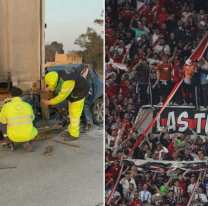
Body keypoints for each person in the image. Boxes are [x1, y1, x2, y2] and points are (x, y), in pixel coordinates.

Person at [41, 68, 90, 141]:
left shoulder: (66, 82)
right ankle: (71, 131)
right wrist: (50, 88)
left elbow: (61, 97)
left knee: (75, 115)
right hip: (74, 92)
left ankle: (74, 135)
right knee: (71, 113)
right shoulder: (57, 74)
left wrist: (49, 102)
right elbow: (56, 82)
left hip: (79, 93)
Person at [0, 87, 38, 152]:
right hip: (28, 135)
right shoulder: (27, 105)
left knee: (2, 123)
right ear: (21, 95)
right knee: (31, 120)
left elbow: (3, 121)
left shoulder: (6, 106)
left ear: (10, 95)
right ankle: (27, 142)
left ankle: (9, 145)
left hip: (13, 136)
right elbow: (32, 118)